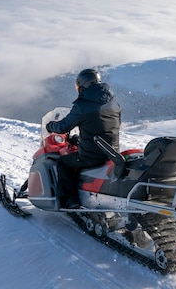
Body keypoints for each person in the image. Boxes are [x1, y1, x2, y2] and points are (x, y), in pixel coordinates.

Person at [45, 68, 121, 209]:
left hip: (91, 156)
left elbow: (63, 127)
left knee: (63, 162)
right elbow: (102, 127)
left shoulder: (82, 105)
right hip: (113, 153)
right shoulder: (113, 102)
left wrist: (50, 126)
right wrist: (81, 138)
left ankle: (70, 201)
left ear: (82, 85)